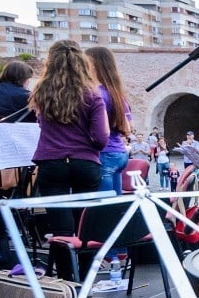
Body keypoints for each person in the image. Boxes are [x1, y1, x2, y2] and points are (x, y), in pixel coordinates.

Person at [30, 40, 109, 236]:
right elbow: (101, 139)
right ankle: (86, 266)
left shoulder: (41, 93)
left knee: (60, 227)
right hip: (85, 163)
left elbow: (40, 125)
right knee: (85, 224)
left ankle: (66, 267)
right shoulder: (92, 95)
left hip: (52, 163)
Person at [85, 47, 133, 195]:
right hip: (119, 153)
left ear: (92, 64)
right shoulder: (116, 94)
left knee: (104, 208)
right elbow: (129, 127)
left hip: (104, 154)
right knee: (115, 206)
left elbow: (99, 129)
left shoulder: (96, 94)